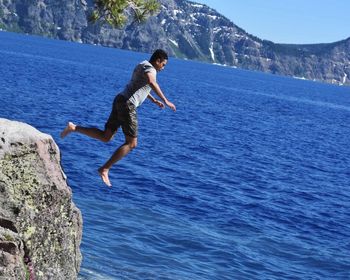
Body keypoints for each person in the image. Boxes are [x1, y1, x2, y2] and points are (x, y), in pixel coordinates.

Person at [61, 49, 176, 187]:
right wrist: (166, 100)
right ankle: (104, 168)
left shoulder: (143, 64)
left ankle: (74, 128)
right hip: (128, 104)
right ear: (158, 61)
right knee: (132, 144)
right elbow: (151, 82)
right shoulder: (151, 69)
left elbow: (140, 86)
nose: (163, 68)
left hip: (120, 100)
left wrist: (153, 100)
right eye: (163, 65)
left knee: (106, 136)